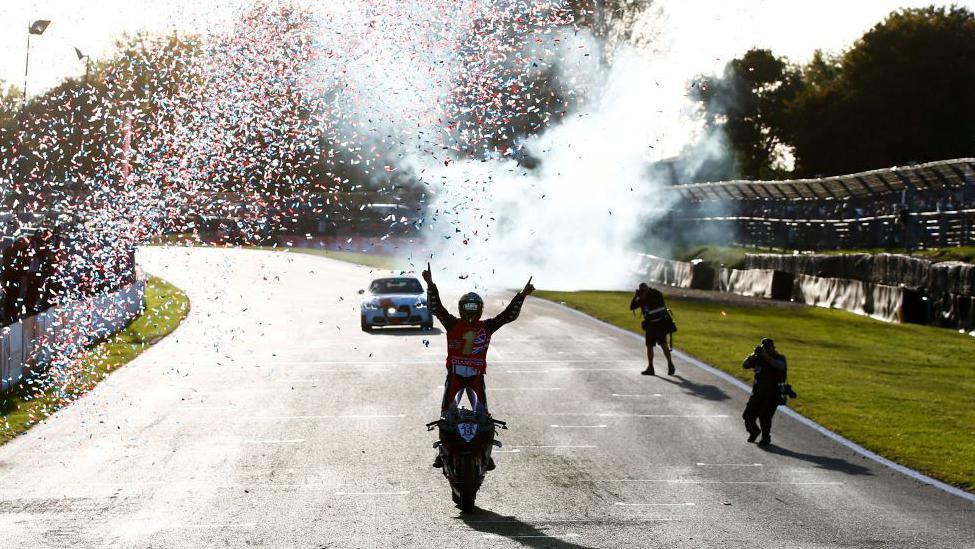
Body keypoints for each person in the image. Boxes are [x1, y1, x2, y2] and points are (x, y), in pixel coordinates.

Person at [422, 263, 534, 467]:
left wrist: (522, 295)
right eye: (468, 307)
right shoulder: (452, 323)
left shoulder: (487, 327)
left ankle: (486, 453)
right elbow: (436, 308)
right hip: (455, 376)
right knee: (446, 416)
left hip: (476, 377)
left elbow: (508, 315)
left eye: (474, 308)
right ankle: (442, 453)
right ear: (461, 309)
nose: (471, 312)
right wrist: (430, 284)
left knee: (484, 417)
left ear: (480, 309)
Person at [742, 338, 787, 447]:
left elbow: (780, 366)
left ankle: (766, 438)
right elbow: (745, 365)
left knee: (765, 417)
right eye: (764, 348)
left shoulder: (780, 358)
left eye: (768, 348)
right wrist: (753, 354)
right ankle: (754, 432)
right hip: (758, 393)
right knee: (747, 415)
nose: (765, 350)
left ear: (773, 348)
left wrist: (767, 357)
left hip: (773, 394)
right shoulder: (758, 359)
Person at [629, 282, 676, 376]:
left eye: (644, 290)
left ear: (647, 288)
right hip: (650, 324)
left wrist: (644, 297)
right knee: (649, 345)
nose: (643, 291)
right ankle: (650, 367)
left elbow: (656, 303)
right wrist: (636, 296)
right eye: (641, 290)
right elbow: (632, 307)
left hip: (660, 323)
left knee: (663, 344)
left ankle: (670, 364)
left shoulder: (656, 293)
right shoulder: (642, 297)